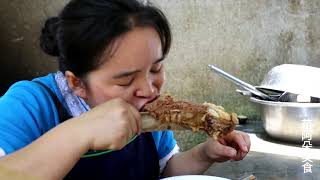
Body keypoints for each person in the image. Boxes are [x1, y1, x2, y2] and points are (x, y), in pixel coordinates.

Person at [0, 0, 251, 179]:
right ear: (76, 83)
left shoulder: (147, 108)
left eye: (155, 69)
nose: (148, 89)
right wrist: (80, 132)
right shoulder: (29, 105)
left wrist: (206, 154)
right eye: (125, 81)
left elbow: (166, 170)